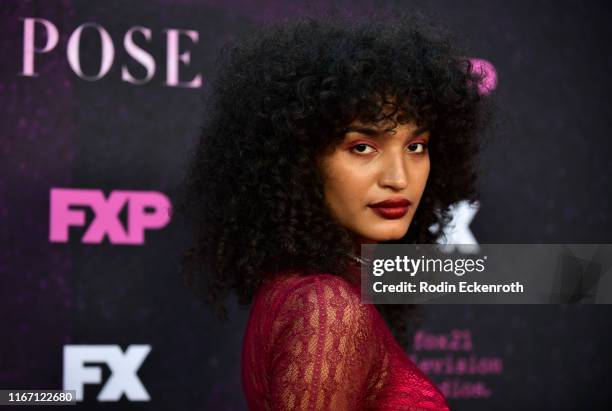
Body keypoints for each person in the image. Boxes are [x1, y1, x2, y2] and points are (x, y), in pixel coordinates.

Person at [177, 11, 488, 410]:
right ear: (299, 161)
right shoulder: (329, 307)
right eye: (362, 147)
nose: (398, 177)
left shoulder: (306, 289)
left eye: (416, 147)